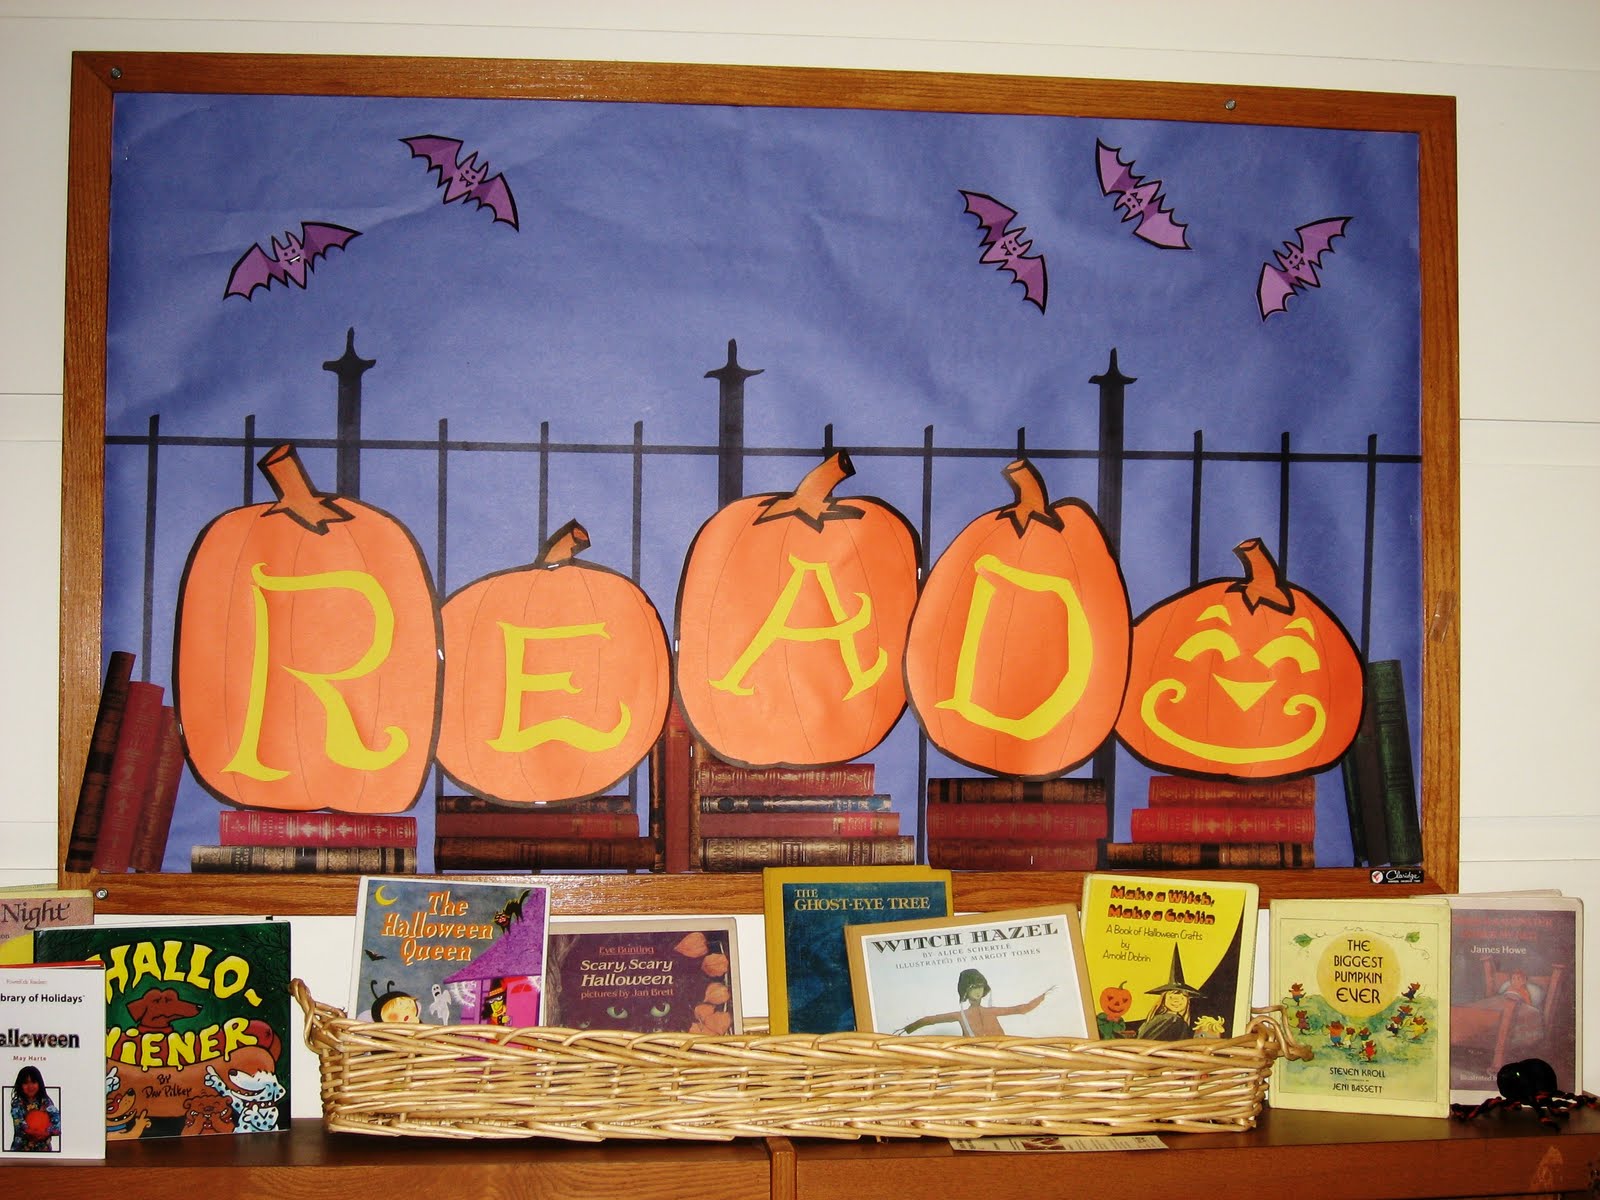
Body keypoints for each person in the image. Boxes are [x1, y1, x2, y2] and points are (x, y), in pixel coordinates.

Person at [895, 969, 1056, 1036]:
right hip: (977, 1062)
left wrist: (1044, 996)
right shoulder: (960, 1015)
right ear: (966, 991)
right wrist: (906, 1030)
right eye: (973, 988)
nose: (978, 991)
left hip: (1003, 1055)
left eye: (980, 987)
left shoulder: (991, 1011)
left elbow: (1022, 1009)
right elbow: (929, 1020)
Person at [1136, 944, 1205, 1040]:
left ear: (1188, 1001)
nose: (1177, 1000)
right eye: (1172, 996)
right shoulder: (1175, 1020)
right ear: (1163, 999)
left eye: (1182, 997)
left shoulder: (1155, 1019)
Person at [9, 1065, 60, 1152]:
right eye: (25, 1083)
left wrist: (47, 1132)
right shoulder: (17, 1104)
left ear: (39, 1083)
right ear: (20, 1085)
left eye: (33, 1082)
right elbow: (19, 1124)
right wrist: (35, 1133)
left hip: (44, 1151)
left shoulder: (46, 1101)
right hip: (21, 1150)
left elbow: (56, 1119)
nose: (30, 1086)